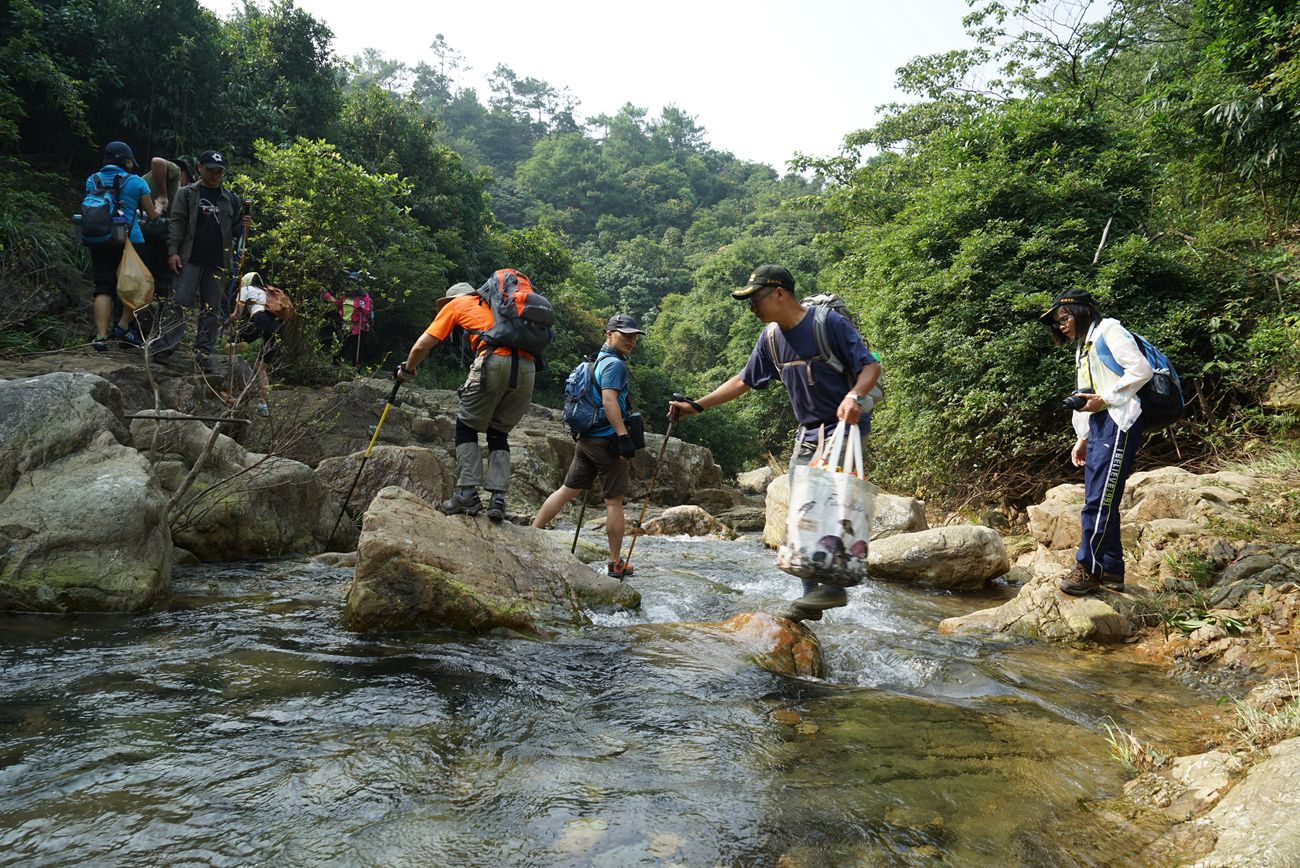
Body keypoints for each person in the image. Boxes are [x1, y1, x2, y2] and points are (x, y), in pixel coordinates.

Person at [667, 264, 882, 621]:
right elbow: (743, 380)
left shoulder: (827, 324)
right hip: (808, 432)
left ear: (780, 293)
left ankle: (833, 588)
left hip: (844, 427)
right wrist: (697, 406)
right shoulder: (770, 338)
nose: (752, 307)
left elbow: (870, 366)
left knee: (823, 504)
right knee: (800, 512)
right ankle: (812, 598)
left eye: (756, 298)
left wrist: (854, 396)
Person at [394, 278, 538, 522]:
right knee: (499, 432)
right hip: (527, 368)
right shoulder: (498, 305)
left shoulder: (456, 304)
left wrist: (407, 370)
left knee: (466, 427)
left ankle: (467, 494)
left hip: (493, 361)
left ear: (452, 298)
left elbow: (421, 346)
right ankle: (498, 499)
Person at [1040, 288, 1152, 595]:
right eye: (1057, 322)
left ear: (1081, 311)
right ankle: (1111, 569)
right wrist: (1082, 438)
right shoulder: (1084, 346)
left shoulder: (1109, 331)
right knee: (1100, 498)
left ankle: (1088, 568)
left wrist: (1105, 398)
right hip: (1100, 426)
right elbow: (1085, 395)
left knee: (1099, 501)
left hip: (1119, 421)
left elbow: (1141, 370)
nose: (1061, 325)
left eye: (1064, 318)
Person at [532, 314, 646, 577]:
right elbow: (609, 400)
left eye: (634, 336)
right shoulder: (614, 365)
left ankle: (533, 533)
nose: (631, 340)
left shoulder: (596, 361)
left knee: (567, 490)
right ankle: (615, 563)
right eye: (625, 335)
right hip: (607, 441)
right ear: (609, 334)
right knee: (614, 502)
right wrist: (623, 437)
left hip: (586, 439)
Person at [167, 149, 249, 372]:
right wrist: (173, 251)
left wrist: (244, 226)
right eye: (211, 170)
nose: (215, 175)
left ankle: (203, 353)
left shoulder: (230, 198)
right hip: (189, 258)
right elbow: (177, 223)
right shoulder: (186, 194)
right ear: (200, 168)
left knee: (211, 309)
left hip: (218, 261)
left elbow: (235, 232)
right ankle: (166, 346)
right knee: (178, 302)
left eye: (219, 171)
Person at [84, 140, 160, 351]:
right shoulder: (137, 182)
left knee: (103, 288)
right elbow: (152, 215)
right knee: (140, 285)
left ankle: (100, 337)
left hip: (100, 239)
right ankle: (123, 325)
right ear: (126, 161)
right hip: (131, 241)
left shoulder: (92, 179)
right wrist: (160, 207)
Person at [229, 272, 284, 417]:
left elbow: (238, 314)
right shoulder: (268, 292)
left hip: (260, 319)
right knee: (261, 368)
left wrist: (230, 319)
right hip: (279, 326)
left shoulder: (245, 289)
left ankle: (230, 391)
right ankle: (264, 406)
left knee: (231, 344)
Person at [140, 156, 194, 297]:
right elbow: (157, 161)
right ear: (183, 174)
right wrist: (163, 195)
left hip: (143, 233)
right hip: (159, 235)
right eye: (188, 182)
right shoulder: (175, 171)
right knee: (163, 281)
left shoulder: (145, 178)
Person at [323, 270, 373, 365]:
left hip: (359, 328)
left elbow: (367, 311)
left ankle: (356, 371)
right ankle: (334, 368)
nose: (351, 283)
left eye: (354, 281)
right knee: (339, 351)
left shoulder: (363, 296)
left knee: (356, 353)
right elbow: (337, 303)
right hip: (345, 327)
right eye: (350, 281)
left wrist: (362, 307)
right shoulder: (345, 295)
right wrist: (326, 295)